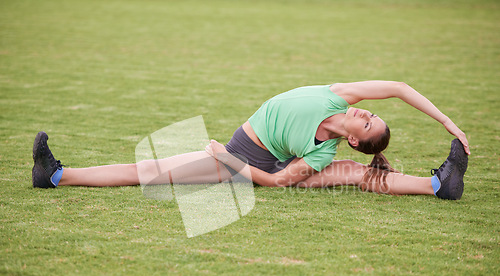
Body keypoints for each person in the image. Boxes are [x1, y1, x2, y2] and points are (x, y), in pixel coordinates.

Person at [32, 81, 469, 200]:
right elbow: (398, 86)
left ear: (356, 139)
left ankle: (54, 176)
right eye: (373, 113)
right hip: (253, 158)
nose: (366, 113)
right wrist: (447, 121)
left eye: (369, 124)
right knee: (356, 174)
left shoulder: (322, 152)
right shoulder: (340, 95)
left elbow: (277, 182)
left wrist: (228, 159)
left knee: (147, 172)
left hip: (241, 161)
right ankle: (54, 176)